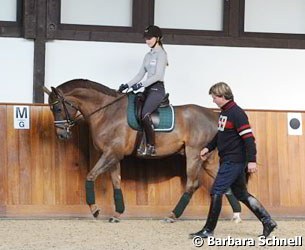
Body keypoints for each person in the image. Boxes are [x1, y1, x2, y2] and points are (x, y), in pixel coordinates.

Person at [189, 82, 277, 238]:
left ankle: (208, 230)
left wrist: (252, 160)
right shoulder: (224, 113)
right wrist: (208, 148)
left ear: (223, 96)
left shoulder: (237, 113)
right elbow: (220, 135)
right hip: (228, 160)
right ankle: (268, 221)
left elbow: (249, 139)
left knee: (216, 191)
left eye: (214, 97)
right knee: (241, 194)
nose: (213, 100)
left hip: (234, 161)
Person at [118, 25, 168, 156]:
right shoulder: (148, 55)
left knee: (145, 113)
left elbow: (157, 76)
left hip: (157, 89)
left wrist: (140, 85)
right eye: (146, 38)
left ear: (157, 38)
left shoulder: (162, 54)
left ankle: (151, 145)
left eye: (149, 38)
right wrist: (127, 85)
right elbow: (140, 74)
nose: (147, 41)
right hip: (147, 89)